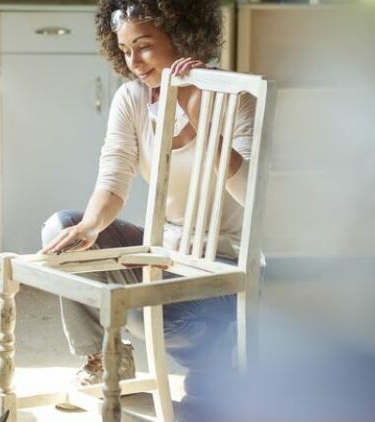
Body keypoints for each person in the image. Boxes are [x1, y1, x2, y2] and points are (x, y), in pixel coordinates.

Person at [39, 0, 256, 418]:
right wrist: (89, 226)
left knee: (150, 309)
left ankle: (214, 367)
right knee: (60, 230)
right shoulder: (133, 98)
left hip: (224, 270)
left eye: (144, 46)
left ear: (182, 34)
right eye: (124, 50)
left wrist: (194, 106)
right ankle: (106, 359)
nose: (134, 62)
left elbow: (248, 193)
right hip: (166, 252)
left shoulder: (237, 98)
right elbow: (113, 180)